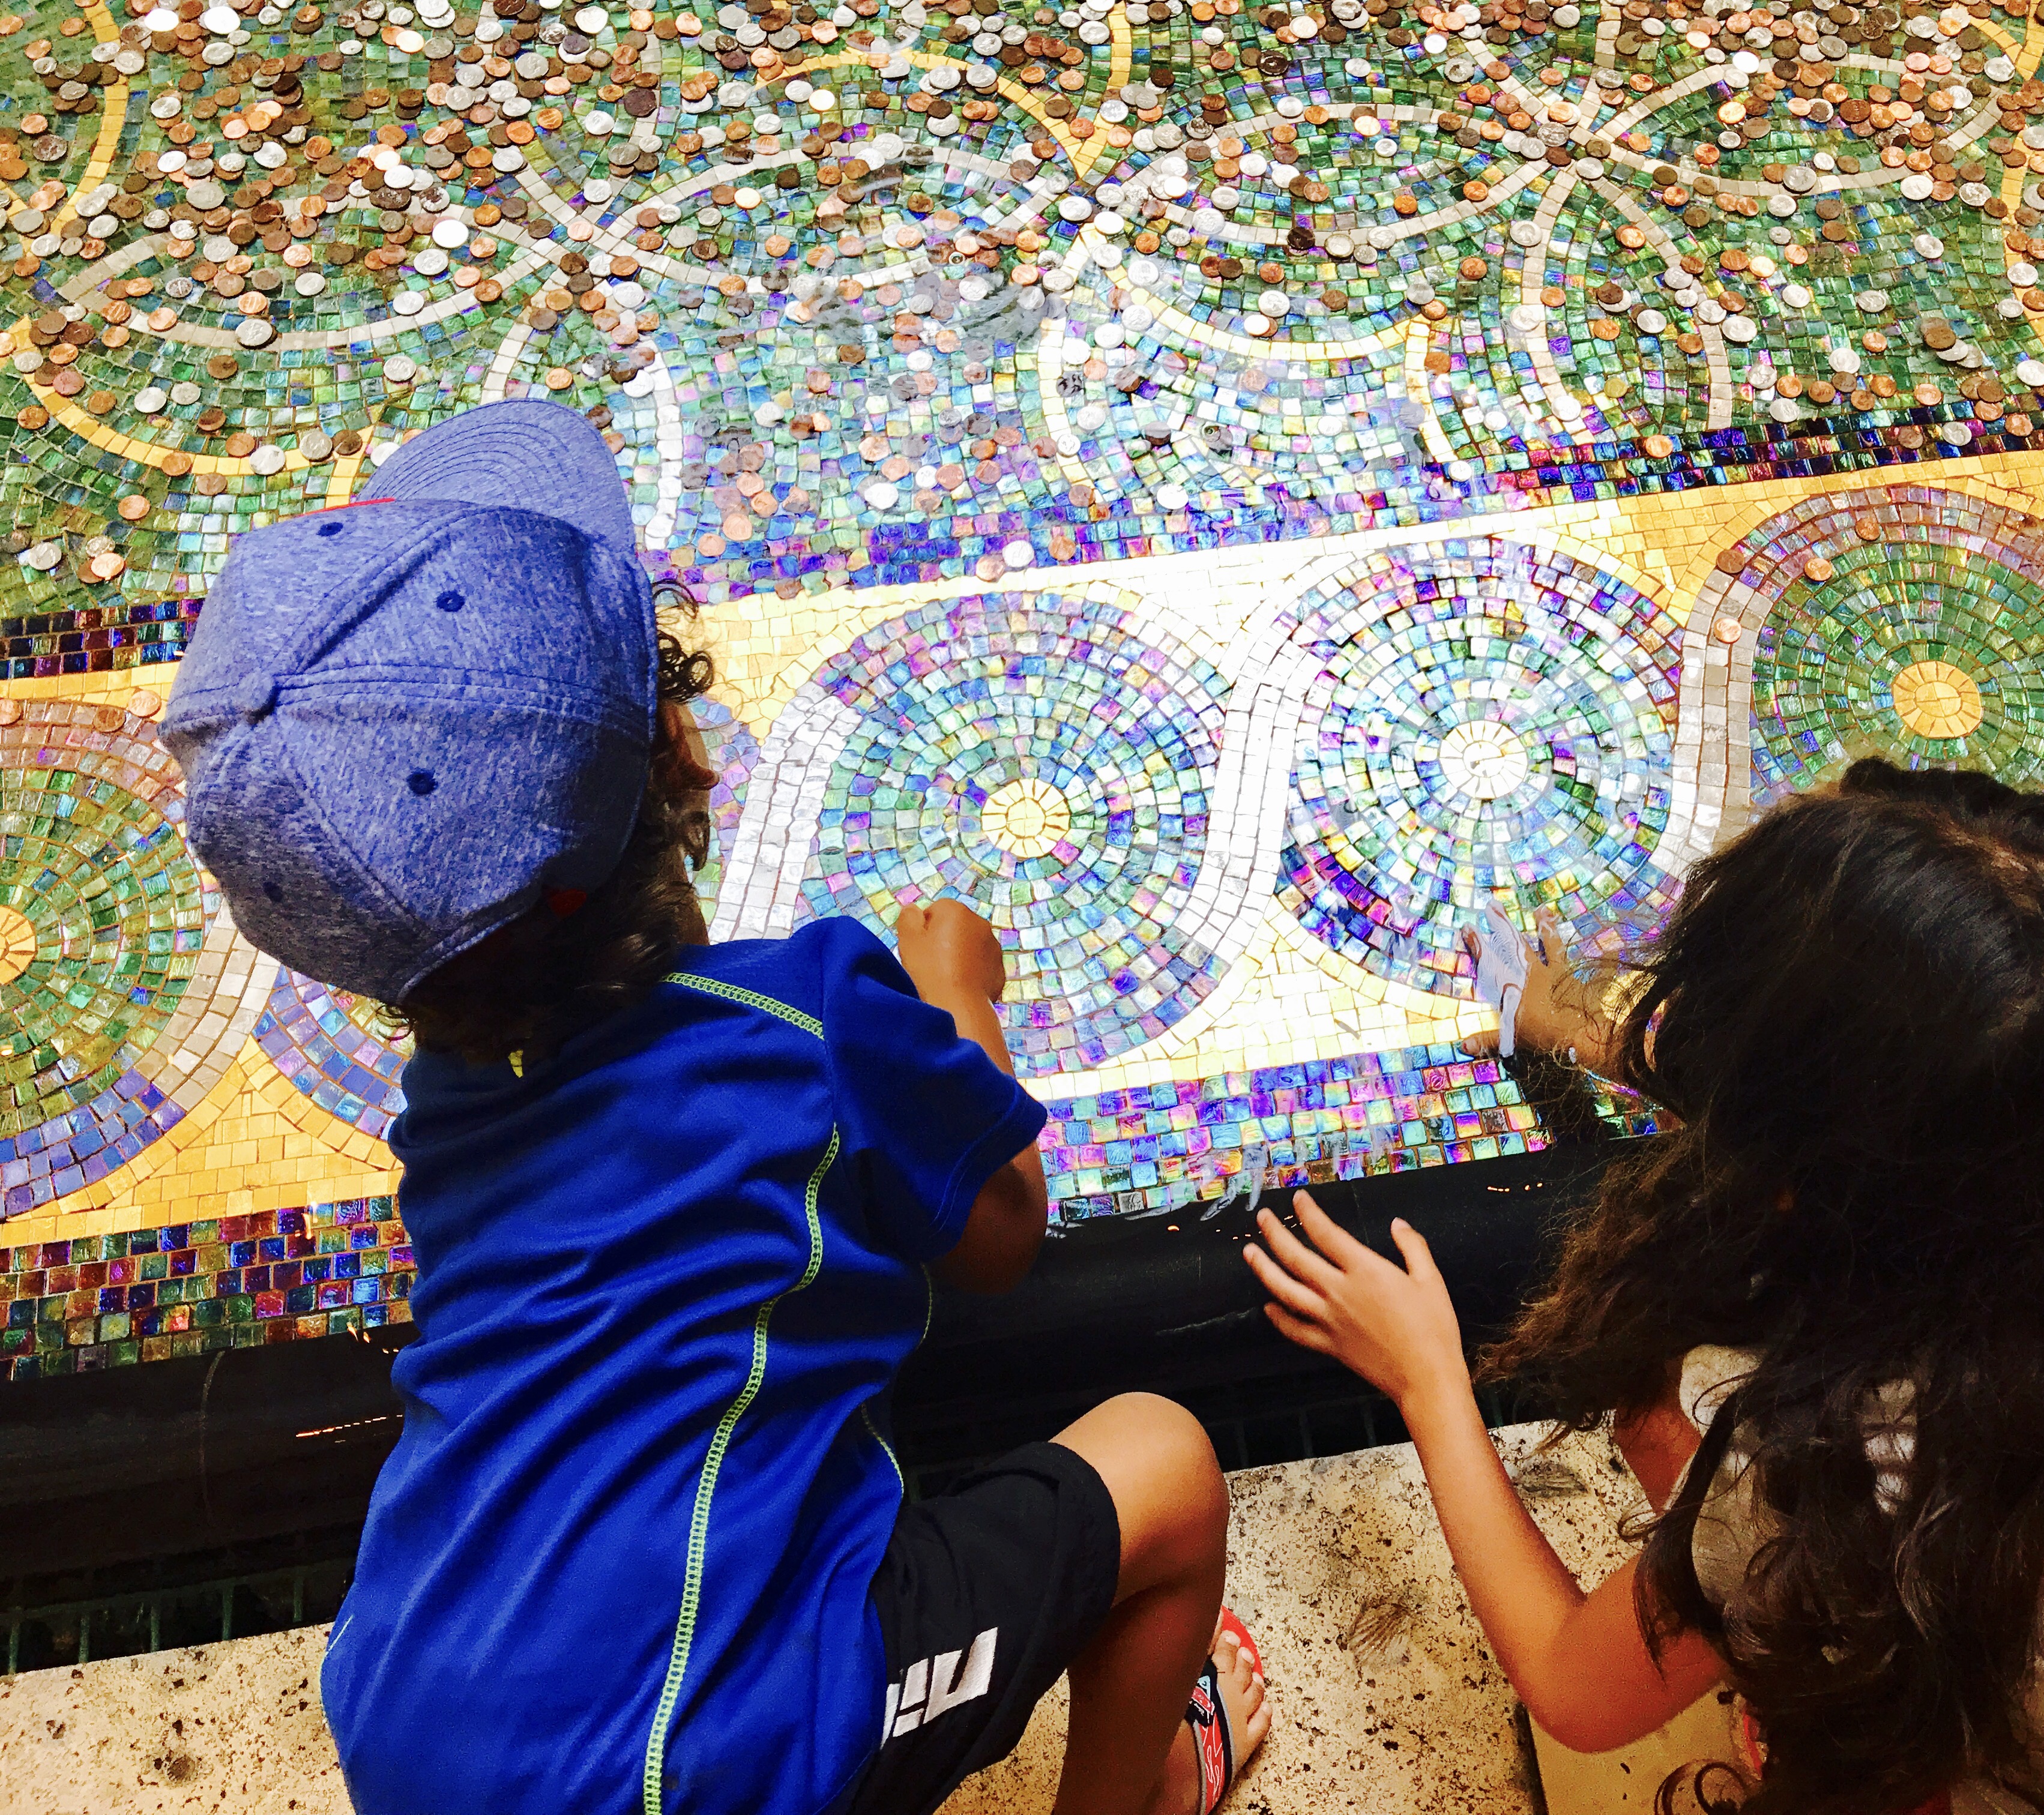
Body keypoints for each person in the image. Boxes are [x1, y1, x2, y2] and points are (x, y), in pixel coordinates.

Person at [162, 399, 1267, 1815]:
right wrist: (962, 998)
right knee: (1167, 1467)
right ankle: (1147, 1790)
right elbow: (1000, 1234)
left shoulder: (449, 1100)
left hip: (413, 1715)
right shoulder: (810, 1018)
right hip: (701, 1757)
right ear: (681, 743)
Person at [1244, 759, 2044, 1813]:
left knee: (1666, 1419)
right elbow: (1923, 1099)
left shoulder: (1862, 1473)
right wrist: (1568, 1026)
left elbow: (1572, 1687)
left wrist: (1430, 1376)